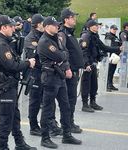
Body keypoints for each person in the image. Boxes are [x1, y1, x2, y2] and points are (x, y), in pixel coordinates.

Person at [0, 15, 37, 150]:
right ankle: (2, 146)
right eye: (10, 26)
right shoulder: (1, 45)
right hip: (6, 86)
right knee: (6, 118)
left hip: (10, 85)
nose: (13, 28)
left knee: (14, 116)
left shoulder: (6, 43)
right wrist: (28, 63)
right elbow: (12, 66)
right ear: (3, 27)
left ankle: (19, 143)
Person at [38, 16, 82, 149]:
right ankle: (45, 138)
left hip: (60, 76)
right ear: (46, 27)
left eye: (57, 24)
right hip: (50, 77)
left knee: (65, 106)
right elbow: (60, 55)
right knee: (47, 109)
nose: (57, 26)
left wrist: (66, 65)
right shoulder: (45, 41)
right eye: (54, 25)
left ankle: (67, 134)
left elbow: (66, 53)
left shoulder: (57, 38)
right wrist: (62, 57)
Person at [80, 20, 122, 113]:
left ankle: (92, 102)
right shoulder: (86, 36)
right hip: (89, 64)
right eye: (96, 25)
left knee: (94, 85)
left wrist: (118, 48)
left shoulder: (95, 36)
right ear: (91, 27)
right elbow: (83, 51)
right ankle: (85, 104)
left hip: (94, 63)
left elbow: (104, 47)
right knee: (86, 85)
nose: (98, 27)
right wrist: (86, 64)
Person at [58, 8, 84, 133]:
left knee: (71, 99)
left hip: (74, 71)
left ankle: (69, 122)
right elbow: (63, 53)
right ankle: (67, 124)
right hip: (69, 73)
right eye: (73, 17)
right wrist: (67, 68)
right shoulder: (63, 33)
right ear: (66, 19)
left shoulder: (70, 32)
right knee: (69, 100)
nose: (75, 19)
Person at [23, 13, 44, 136]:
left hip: (43, 71)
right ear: (38, 24)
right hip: (34, 72)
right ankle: (33, 126)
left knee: (44, 100)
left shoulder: (42, 36)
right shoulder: (30, 37)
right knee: (35, 100)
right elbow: (33, 55)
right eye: (42, 23)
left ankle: (48, 124)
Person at [105, 25, 121, 91]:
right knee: (109, 71)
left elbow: (119, 44)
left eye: (116, 29)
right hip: (111, 56)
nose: (115, 30)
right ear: (110, 29)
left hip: (116, 56)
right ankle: (107, 85)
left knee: (112, 71)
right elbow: (109, 46)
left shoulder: (116, 37)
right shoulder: (109, 36)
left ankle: (110, 84)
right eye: (114, 29)